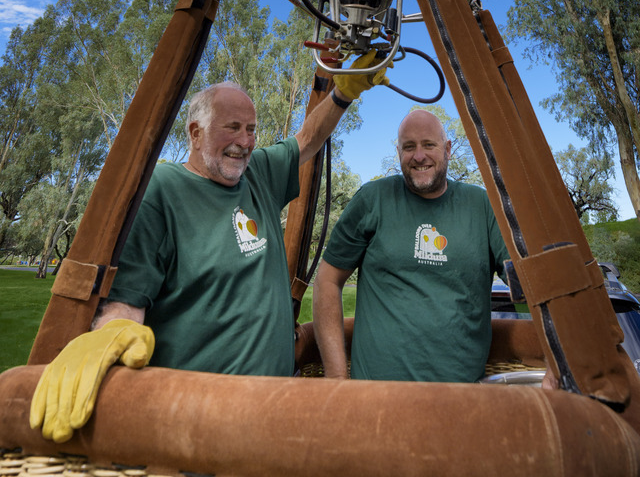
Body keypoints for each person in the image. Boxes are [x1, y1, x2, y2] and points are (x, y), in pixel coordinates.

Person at [30, 53, 388, 443]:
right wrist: (112, 331)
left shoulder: (258, 176)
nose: (245, 141)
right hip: (197, 424)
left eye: (251, 129)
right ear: (195, 133)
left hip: (277, 411)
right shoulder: (161, 191)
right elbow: (129, 300)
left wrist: (341, 94)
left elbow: (307, 140)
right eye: (231, 127)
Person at [313, 108, 509, 382]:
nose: (419, 156)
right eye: (409, 147)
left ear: (448, 149)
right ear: (398, 152)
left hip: (461, 401)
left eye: (429, 145)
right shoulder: (372, 200)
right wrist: (336, 376)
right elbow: (327, 280)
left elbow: (527, 279)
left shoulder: (483, 206)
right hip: (376, 397)